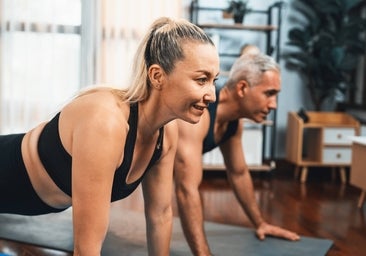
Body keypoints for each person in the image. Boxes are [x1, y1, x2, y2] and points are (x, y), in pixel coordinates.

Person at [0, 17, 220, 255]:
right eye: (201, 80)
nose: (212, 95)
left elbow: (160, 215)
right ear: (157, 76)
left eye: (213, 81)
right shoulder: (105, 122)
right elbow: (86, 249)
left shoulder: (166, 134)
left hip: (30, 202)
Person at [173, 52, 300, 256]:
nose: (274, 105)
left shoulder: (233, 124)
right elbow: (187, 190)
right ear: (242, 88)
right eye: (269, 93)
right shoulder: (199, 113)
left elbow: (238, 173)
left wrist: (260, 223)